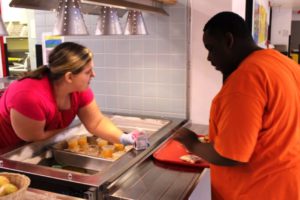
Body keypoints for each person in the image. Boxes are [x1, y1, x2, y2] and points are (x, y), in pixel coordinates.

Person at [174, 11, 300, 199]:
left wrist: (191, 143)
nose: (209, 58)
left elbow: (230, 156)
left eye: (211, 48)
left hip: (256, 190)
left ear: (228, 40)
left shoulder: (245, 79)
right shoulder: (285, 64)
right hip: (287, 185)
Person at [0, 42, 143, 149]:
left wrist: (124, 138)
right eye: (88, 72)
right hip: (7, 149)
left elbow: (96, 122)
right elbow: (35, 137)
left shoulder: (78, 89)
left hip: (29, 148)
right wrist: (68, 130)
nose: (94, 75)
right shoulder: (29, 97)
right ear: (69, 77)